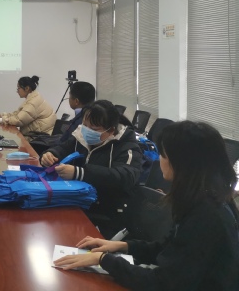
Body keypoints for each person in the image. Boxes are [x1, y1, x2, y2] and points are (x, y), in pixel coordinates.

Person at [54, 121, 239, 290]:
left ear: (181, 162)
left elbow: (162, 283)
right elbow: (168, 248)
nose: (159, 160)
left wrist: (104, 260)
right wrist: (121, 246)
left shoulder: (206, 215)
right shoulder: (205, 198)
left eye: (163, 154)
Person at [41, 100, 143, 236]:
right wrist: (50, 154)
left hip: (107, 213)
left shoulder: (126, 146)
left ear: (111, 130)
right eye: (85, 125)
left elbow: (125, 176)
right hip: (77, 202)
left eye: (94, 129)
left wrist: (80, 173)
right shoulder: (81, 136)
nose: (87, 131)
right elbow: (63, 148)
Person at [0, 75, 56, 140]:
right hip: (36, 135)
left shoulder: (34, 102)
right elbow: (17, 114)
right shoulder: (32, 98)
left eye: (18, 88)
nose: (17, 91)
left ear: (27, 88)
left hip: (39, 139)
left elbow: (18, 120)